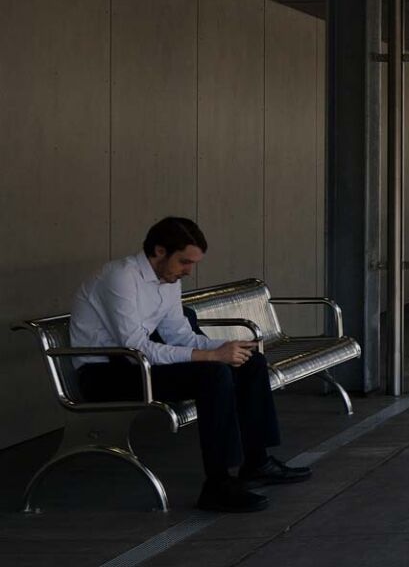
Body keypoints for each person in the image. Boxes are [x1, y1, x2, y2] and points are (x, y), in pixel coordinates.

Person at [70, 217, 311, 512]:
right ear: (159, 251)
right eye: (184, 262)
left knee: (250, 362)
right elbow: (137, 347)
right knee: (213, 375)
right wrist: (212, 357)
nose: (188, 271)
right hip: (106, 374)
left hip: (139, 366)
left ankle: (256, 462)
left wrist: (225, 347)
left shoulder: (168, 280)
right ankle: (218, 484)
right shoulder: (119, 277)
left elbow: (180, 335)